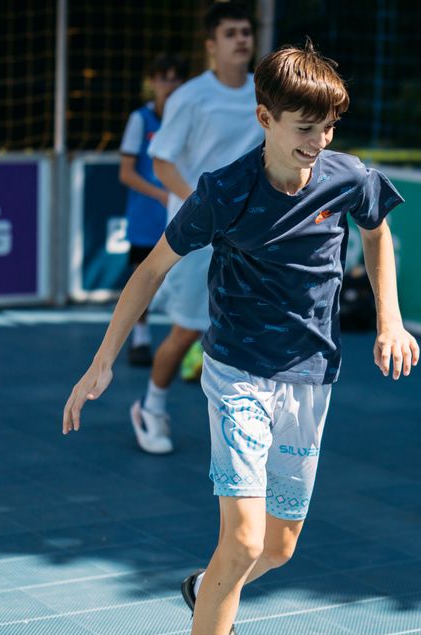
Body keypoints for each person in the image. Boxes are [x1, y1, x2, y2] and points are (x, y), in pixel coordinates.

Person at [62, 41, 420, 635]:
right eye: (302, 128)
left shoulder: (348, 178)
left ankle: (205, 587)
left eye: (327, 128)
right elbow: (150, 272)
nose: (317, 143)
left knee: (279, 548)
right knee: (247, 539)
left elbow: (377, 234)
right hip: (237, 377)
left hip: (311, 379)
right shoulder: (225, 190)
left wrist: (390, 318)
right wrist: (102, 362)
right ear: (264, 118)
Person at [131, 1, 262, 455]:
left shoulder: (265, 93)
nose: (241, 39)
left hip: (247, 238)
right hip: (197, 237)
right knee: (187, 330)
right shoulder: (190, 97)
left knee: (249, 330)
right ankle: (151, 408)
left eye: (246, 31)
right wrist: (200, 207)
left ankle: (245, 421)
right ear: (211, 45)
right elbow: (161, 160)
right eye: (231, 33)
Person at [117, 53, 184, 366]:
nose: (168, 84)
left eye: (174, 77)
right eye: (163, 77)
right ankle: (140, 338)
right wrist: (160, 194)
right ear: (152, 83)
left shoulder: (188, 117)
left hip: (183, 210)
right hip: (148, 212)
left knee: (186, 278)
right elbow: (126, 172)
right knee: (143, 274)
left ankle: (184, 343)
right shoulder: (140, 120)